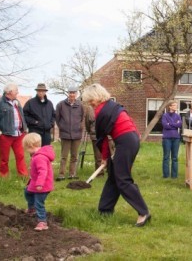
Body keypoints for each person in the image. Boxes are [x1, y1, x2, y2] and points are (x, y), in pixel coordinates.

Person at [82, 83, 150, 227]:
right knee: (113, 176)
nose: (90, 103)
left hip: (125, 142)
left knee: (123, 179)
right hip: (131, 139)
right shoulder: (112, 106)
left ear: (96, 97)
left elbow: (103, 139)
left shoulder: (102, 111)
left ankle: (143, 212)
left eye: (90, 100)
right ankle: (105, 210)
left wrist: (104, 158)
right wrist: (106, 159)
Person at [0, 83, 28, 177]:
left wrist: (25, 128)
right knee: (4, 158)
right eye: (16, 91)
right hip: (5, 135)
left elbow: (22, 116)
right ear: (10, 92)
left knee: (20, 156)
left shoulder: (17, 102)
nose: (17, 93)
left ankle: (23, 175)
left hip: (18, 134)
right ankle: (4, 175)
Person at [23, 133, 55, 231]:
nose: (26, 150)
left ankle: (42, 222)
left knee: (39, 203)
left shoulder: (39, 157)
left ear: (31, 146)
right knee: (27, 192)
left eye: (26, 148)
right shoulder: (36, 155)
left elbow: (43, 172)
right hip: (35, 183)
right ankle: (31, 208)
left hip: (42, 186)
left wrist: (40, 183)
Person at [55, 86, 84, 181]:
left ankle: (72, 174)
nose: (72, 94)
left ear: (76, 94)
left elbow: (82, 118)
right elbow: (57, 119)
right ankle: (61, 174)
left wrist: (80, 127)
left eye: (74, 93)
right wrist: (62, 127)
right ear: (68, 93)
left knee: (74, 156)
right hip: (65, 134)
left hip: (77, 135)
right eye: (70, 92)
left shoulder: (80, 105)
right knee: (64, 156)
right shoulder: (60, 105)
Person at [161, 100, 182, 178]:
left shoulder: (178, 116)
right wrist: (175, 124)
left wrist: (170, 123)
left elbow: (179, 125)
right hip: (167, 138)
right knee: (166, 157)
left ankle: (174, 176)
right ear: (170, 106)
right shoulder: (165, 116)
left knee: (175, 157)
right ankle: (166, 175)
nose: (176, 106)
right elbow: (165, 125)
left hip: (176, 138)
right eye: (174, 105)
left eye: (176, 105)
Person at [85, 105, 104, 176]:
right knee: (98, 156)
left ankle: (111, 172)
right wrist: (90, 131)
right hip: (95, 135)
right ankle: (99, 173)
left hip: (105, 135)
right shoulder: (89, 108)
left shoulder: (104, 106)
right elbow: (87, 122)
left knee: (109, 155)